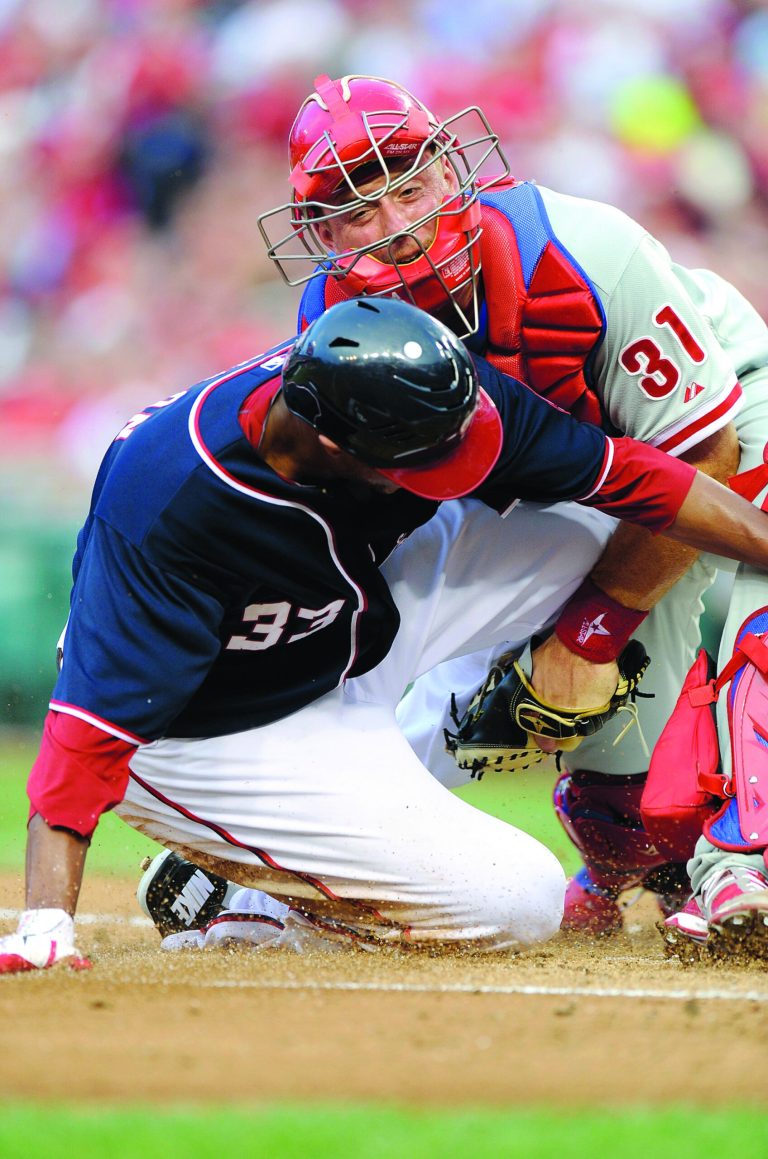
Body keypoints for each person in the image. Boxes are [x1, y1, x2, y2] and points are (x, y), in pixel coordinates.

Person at [2, 296, 767, 973]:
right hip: (207, 733)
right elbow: (84, 735)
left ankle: (274, 853)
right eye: (426, 460)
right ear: (334, 444)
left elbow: (637, 478)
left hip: (342, 634)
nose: (459, 461)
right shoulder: (168, 502)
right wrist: (44, 923)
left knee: (591, 529)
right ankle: (259, 901)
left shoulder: (426, 386)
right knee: (521, 900)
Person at [256, 74, 768, 957]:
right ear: (318, 235)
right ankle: (632, 859)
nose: (396, 228)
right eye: (354, 209)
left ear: (451, 173)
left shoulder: (583, 249)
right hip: (579, 482)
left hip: (724, 418)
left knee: (722, 627)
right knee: (623, 796)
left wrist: (590, 629)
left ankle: (744, 854)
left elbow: (700, 454)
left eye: (407, 187)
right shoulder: (330, 330)